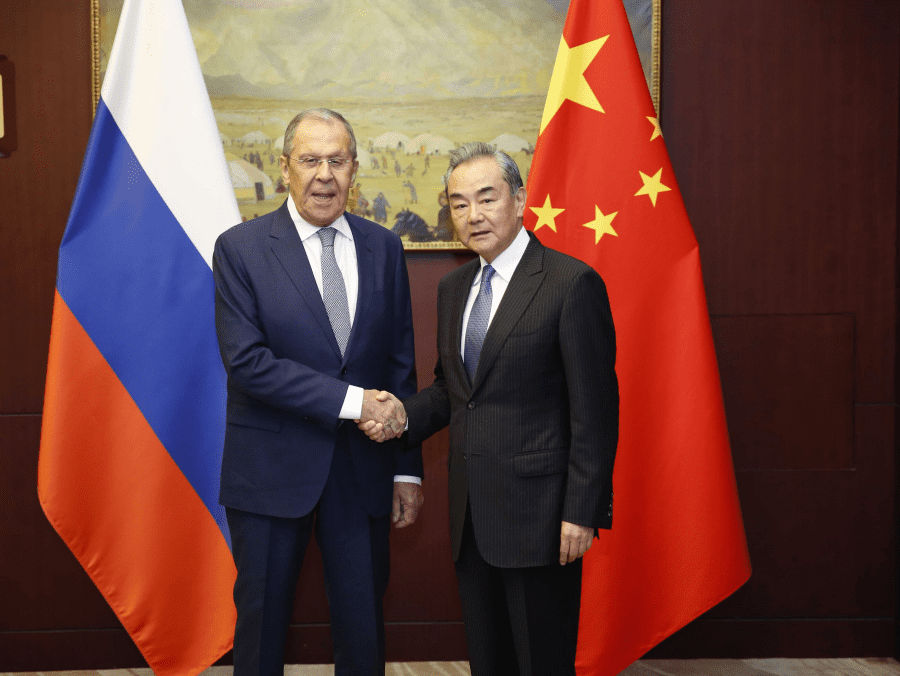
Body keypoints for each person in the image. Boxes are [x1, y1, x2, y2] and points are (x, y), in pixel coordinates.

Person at [359, 143, 618, 676]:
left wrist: (581, 512)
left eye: (486, 198)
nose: (473, 215)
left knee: (541, 663)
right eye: (458, 204)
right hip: (471, 518)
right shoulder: (455, 289)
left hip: (543, 520)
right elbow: (454, 390)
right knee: (489, 662)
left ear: (519, 200)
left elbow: (594, 412)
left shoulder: (570, 283)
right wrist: (400, 415)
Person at [213, 108, 424, 676]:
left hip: (364, 471)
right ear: (285, 168)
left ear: (355, 169)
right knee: (261, 633)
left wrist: (407, 470)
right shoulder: (240, 248)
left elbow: (399, 364)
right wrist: (355, 403)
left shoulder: (384, 247)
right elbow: (247, 363)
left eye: (337, 160)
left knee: (363, 632)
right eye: (310, 160)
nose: (324, 175)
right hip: (270, 471)